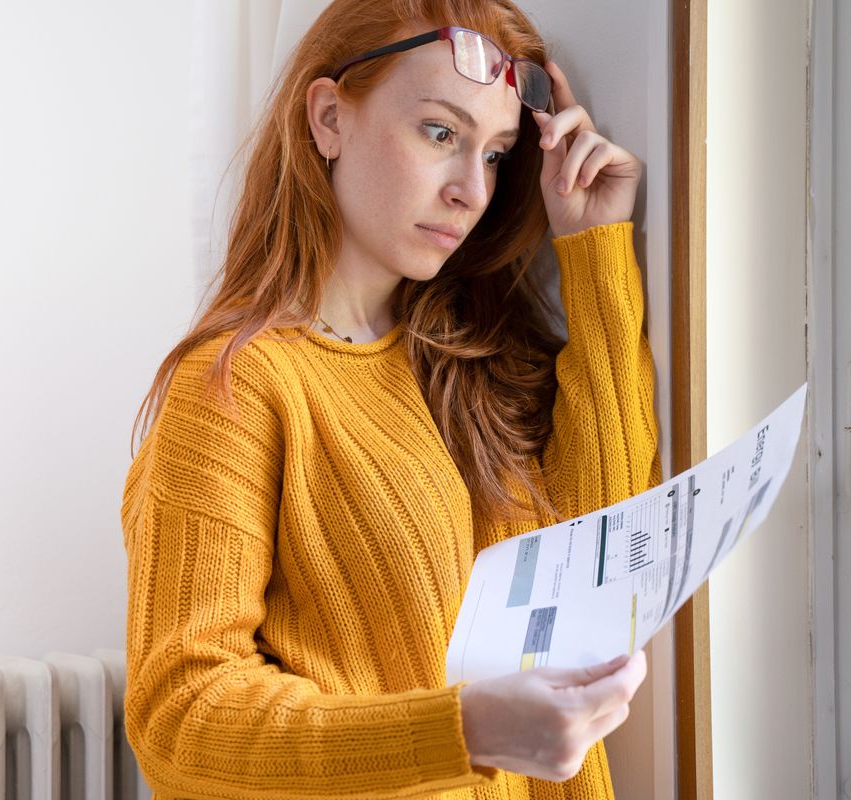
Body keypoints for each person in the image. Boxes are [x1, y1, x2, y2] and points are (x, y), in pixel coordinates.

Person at [120, 0, 661, 797]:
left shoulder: (475, 358)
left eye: (495, 155)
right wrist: (463, 730)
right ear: (331, 118)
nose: (470, 192)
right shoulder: (237, 390)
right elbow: (180, 716)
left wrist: (593, 245)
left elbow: (605, 553)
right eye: (441, 134)